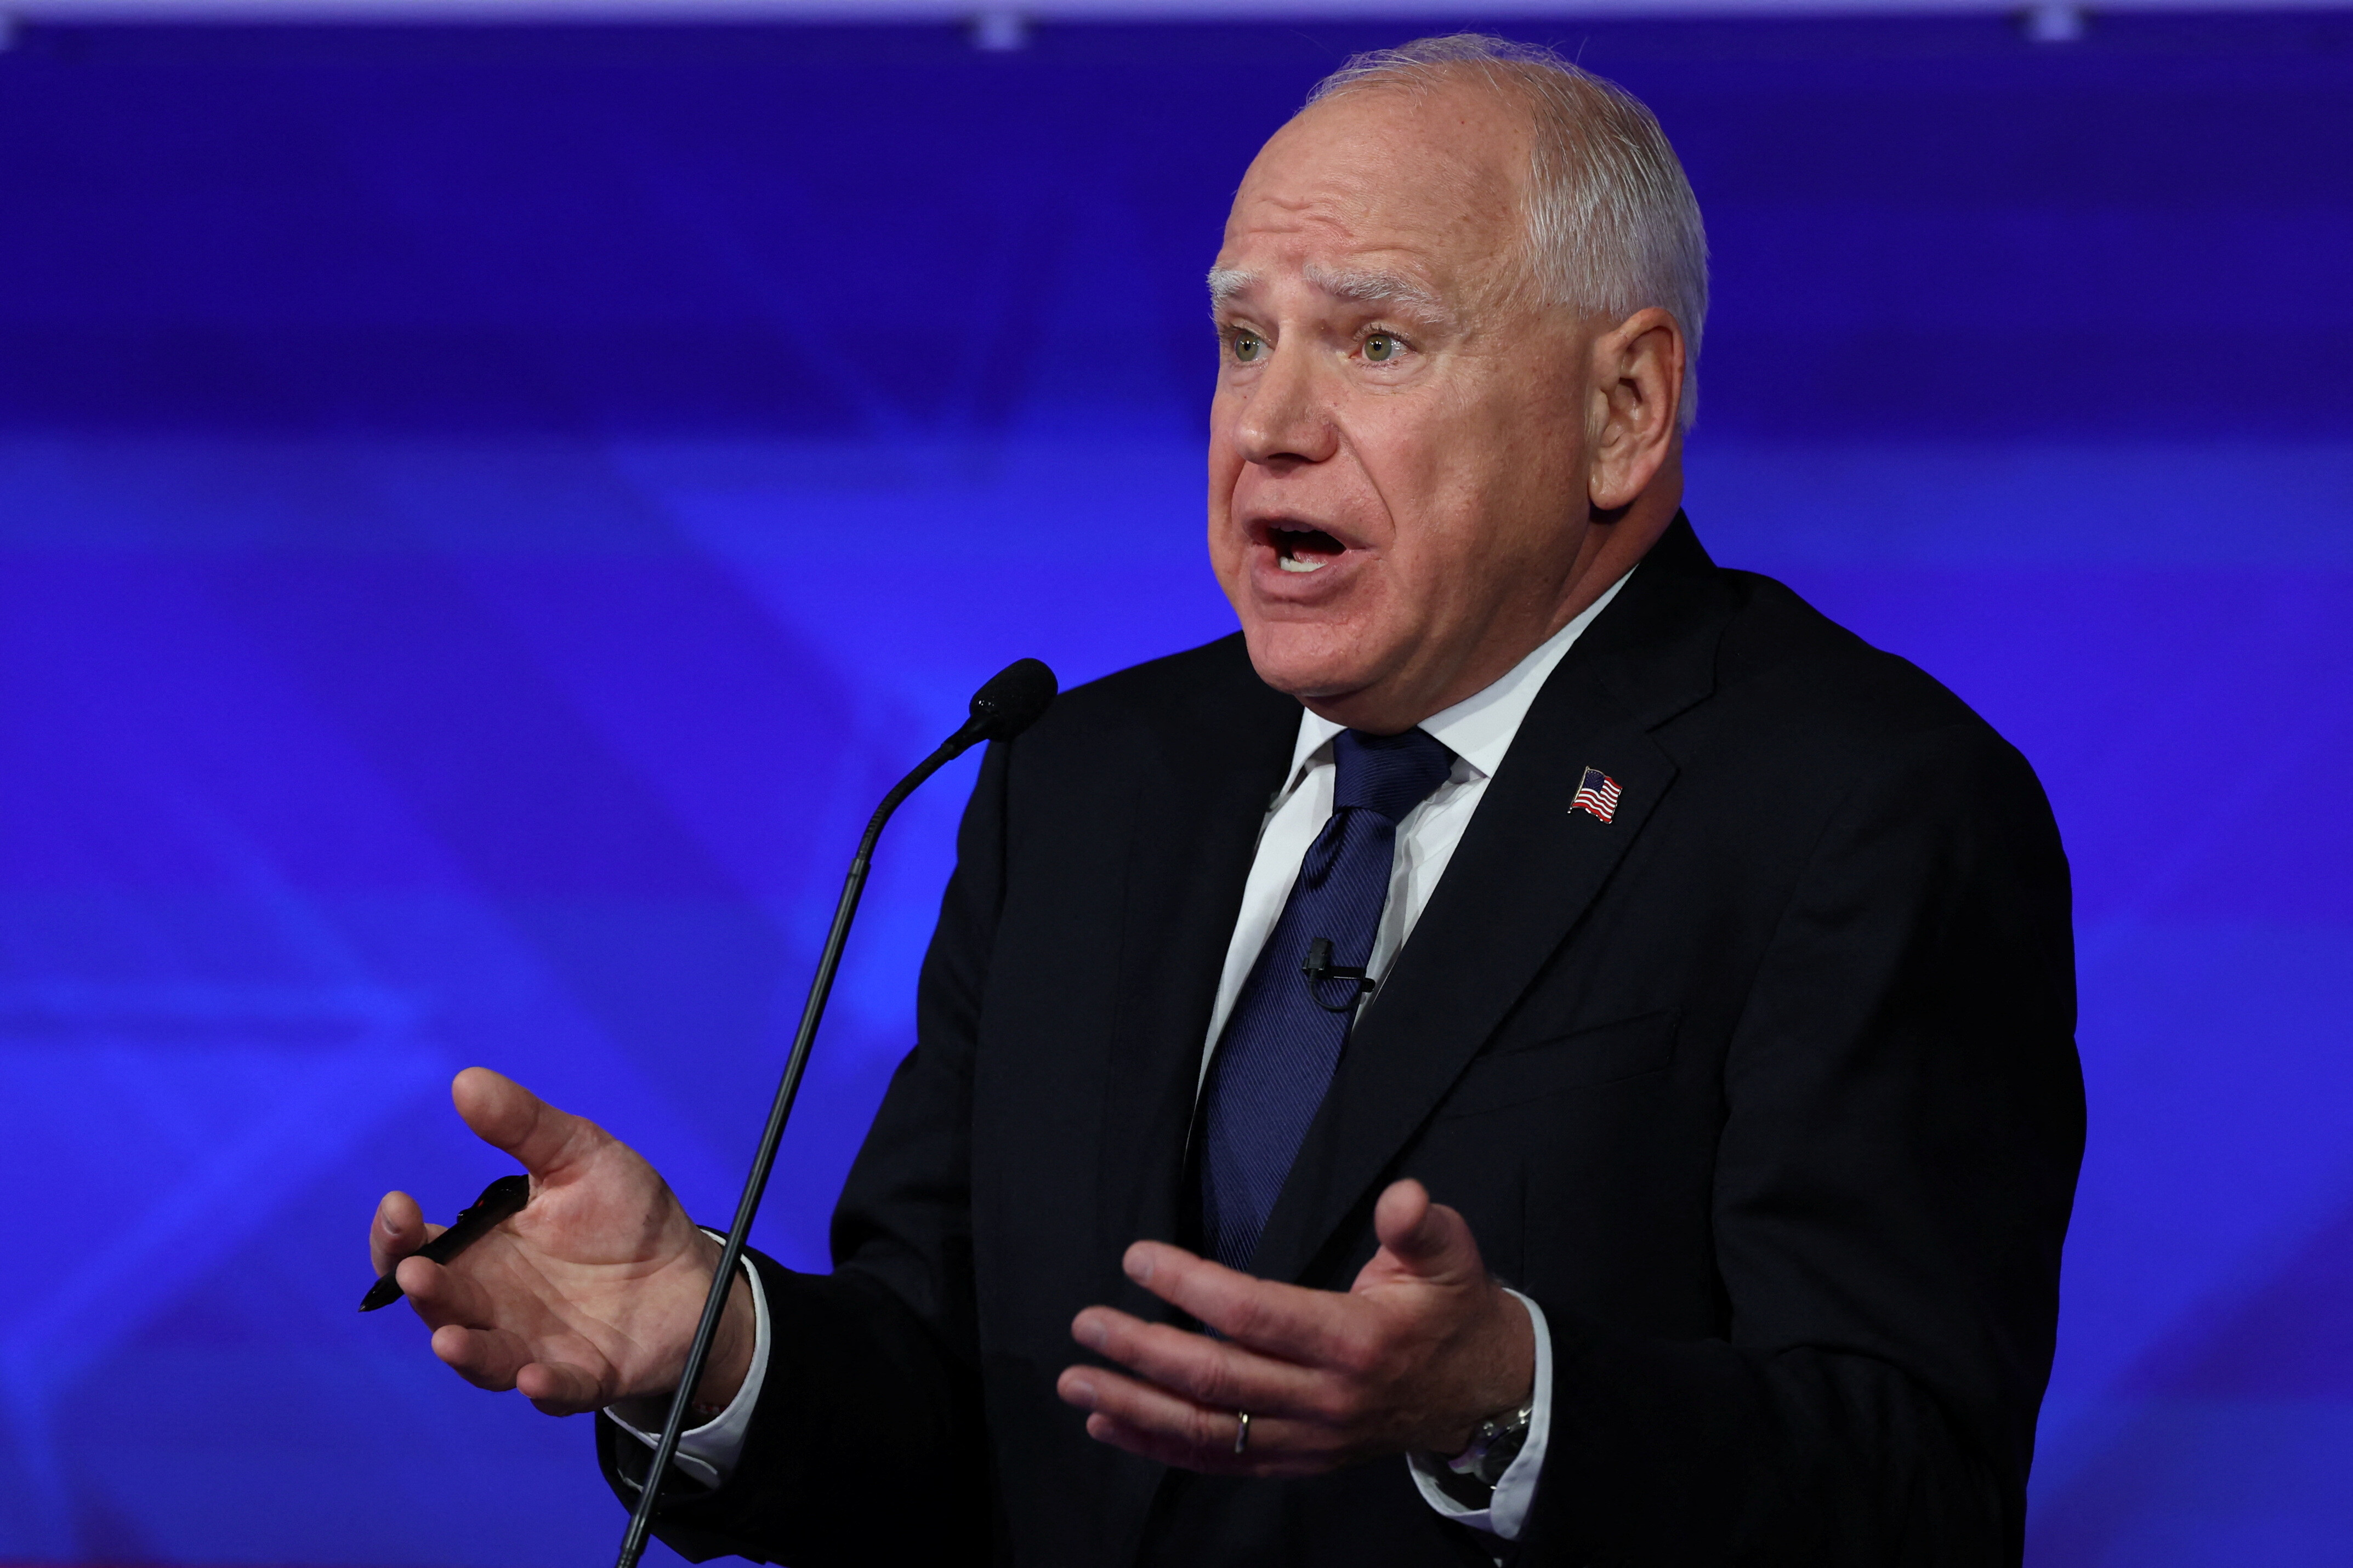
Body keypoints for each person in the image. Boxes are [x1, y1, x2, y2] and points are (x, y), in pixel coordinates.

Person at [367, 35, 2083, 1567]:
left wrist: (1507, 1407)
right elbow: (966, 1425)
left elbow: (1913, 1494)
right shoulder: (1078, 785)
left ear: (1620, 411)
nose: (1266, 423)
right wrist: (715, 1346)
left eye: (1376, 341)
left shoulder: (1865, 810)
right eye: (1240, 338)